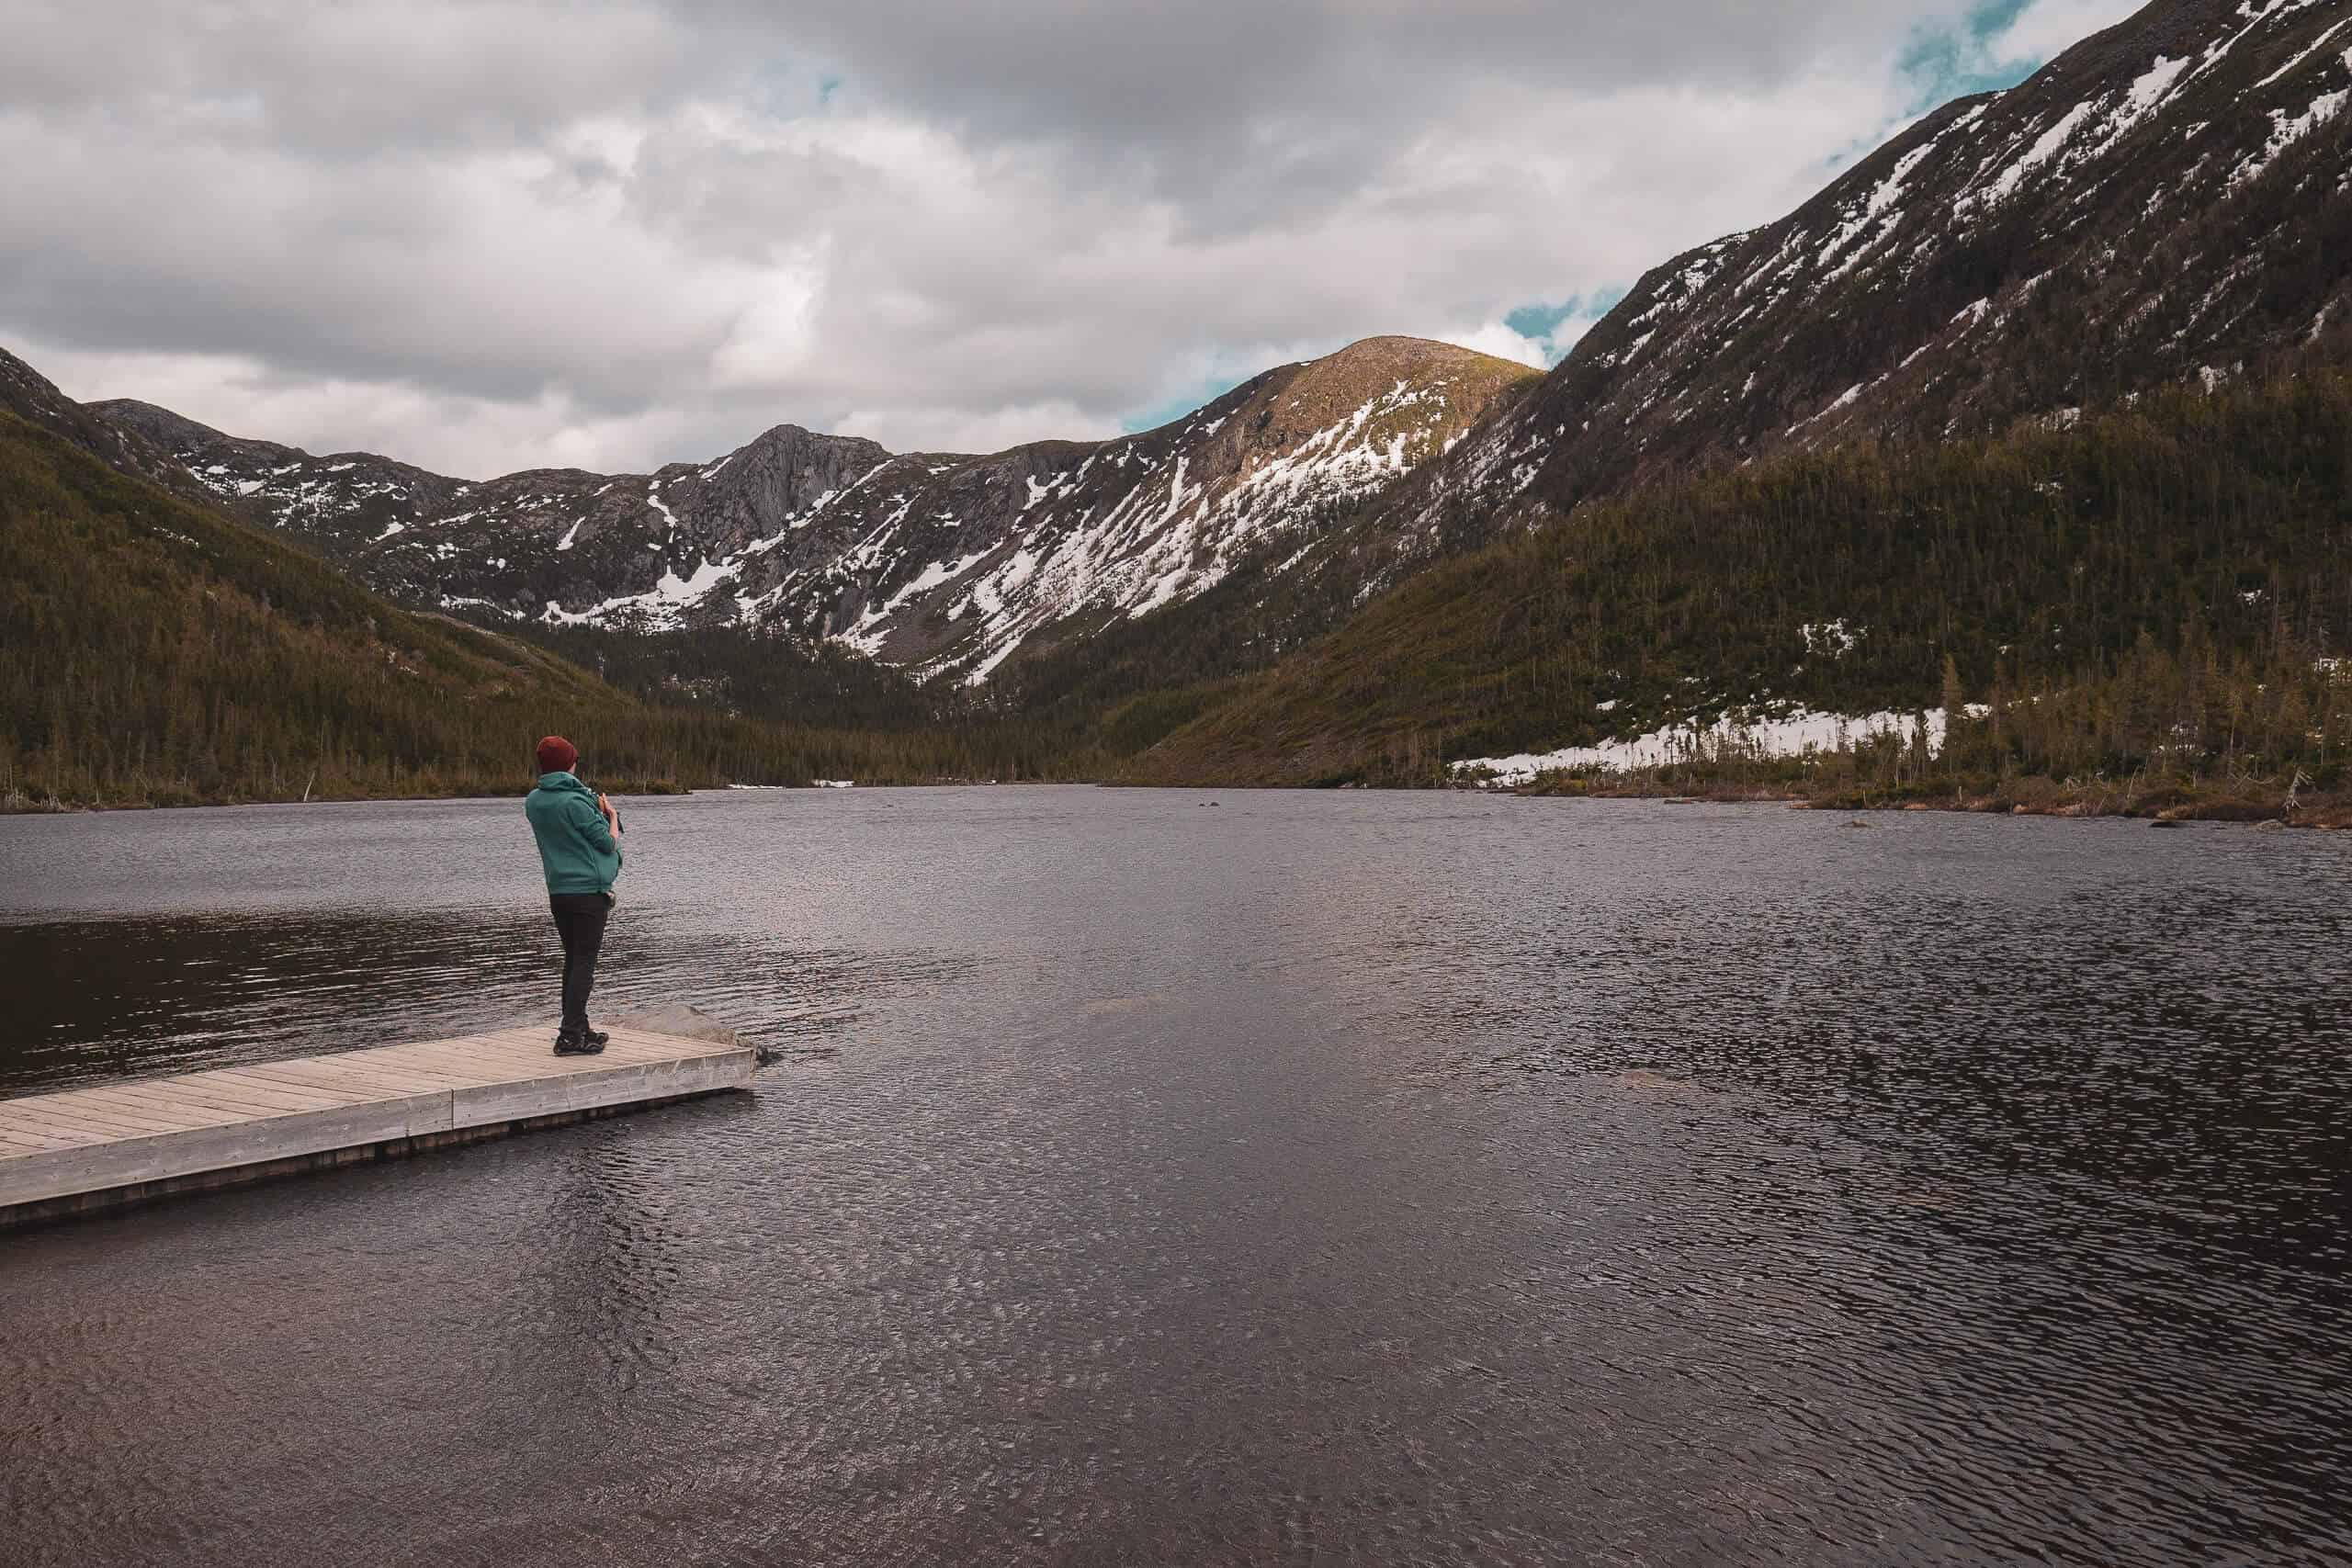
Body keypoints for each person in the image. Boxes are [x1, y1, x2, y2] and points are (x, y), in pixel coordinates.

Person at [524, 735, 624, 1055]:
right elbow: (607, 843)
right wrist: (611, 816)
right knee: (584, 963)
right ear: (569, 764)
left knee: (573, 961)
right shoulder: (575, 802)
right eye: (574, 760)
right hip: (587, 893)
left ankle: (578, 1028)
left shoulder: (534, 801)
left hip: (559, 892)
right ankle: (569, 1036)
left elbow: (565, 830)